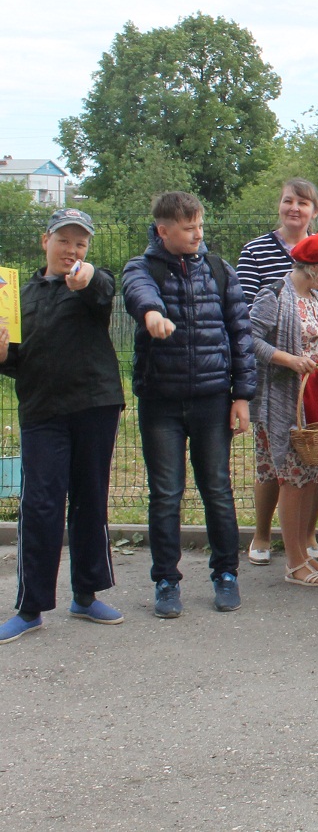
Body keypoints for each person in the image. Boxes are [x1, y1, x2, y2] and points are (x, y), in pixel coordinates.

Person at [122, 191, 257, 618]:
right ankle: (166, 580)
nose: (198, 234)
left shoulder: (219, 270)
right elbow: (137, 291)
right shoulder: (141, 267)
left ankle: (226, 574)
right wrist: (151, 315)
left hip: (213, 400)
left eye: (200, 225)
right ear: (163, 231)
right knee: (165, 494)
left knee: (217, 489)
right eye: (188, 228)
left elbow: (241, 336)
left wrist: (241, 396)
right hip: (160, 403)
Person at [0, 209, 125, 644]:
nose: (72, 250)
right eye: (64, 240)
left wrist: (87, 277)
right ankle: (30, 607)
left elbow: (105, 290)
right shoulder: (16, 296)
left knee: (89, 499)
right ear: (45, 241)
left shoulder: (93, 283)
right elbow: (15, 362)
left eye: (81, 243)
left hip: (94, 404)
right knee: (41, 505)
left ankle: (86, 596)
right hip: (41, 411)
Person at [236, 179, 318, 568]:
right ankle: (293, 560)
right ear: (314, 268)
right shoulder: (274, 296)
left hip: (312, 394)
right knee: (290, 477)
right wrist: (289, 359)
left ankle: (303, 551)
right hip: (282, 397)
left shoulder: (314, 296)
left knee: (309, 474)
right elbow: (249, 339)